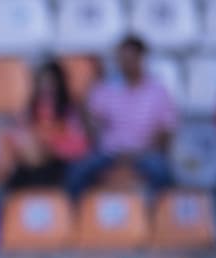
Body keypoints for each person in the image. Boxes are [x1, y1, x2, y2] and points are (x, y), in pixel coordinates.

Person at [68, 34, 178, 196]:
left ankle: (159, 219)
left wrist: (148, 150)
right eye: (122, 58)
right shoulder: (106, 89)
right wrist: (84, 105)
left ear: (141, 58)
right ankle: (78, 218)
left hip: (144, 153)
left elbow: (166, 129)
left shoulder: (158, 91)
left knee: (163, 173)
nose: (125, 63)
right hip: (110, 153)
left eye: (130, 57)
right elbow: (91, 124)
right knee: (76, 173)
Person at [7, 60, 90, 190]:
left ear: (59, 82)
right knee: (17, 178)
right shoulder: (29, 110)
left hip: (60, 162)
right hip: (33, 161)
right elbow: (19, 137)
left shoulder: (69, 110)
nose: (47, 86)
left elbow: (79, 143)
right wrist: (32, 151)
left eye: (51, 81)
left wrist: (53, 150)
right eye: (43, 81)